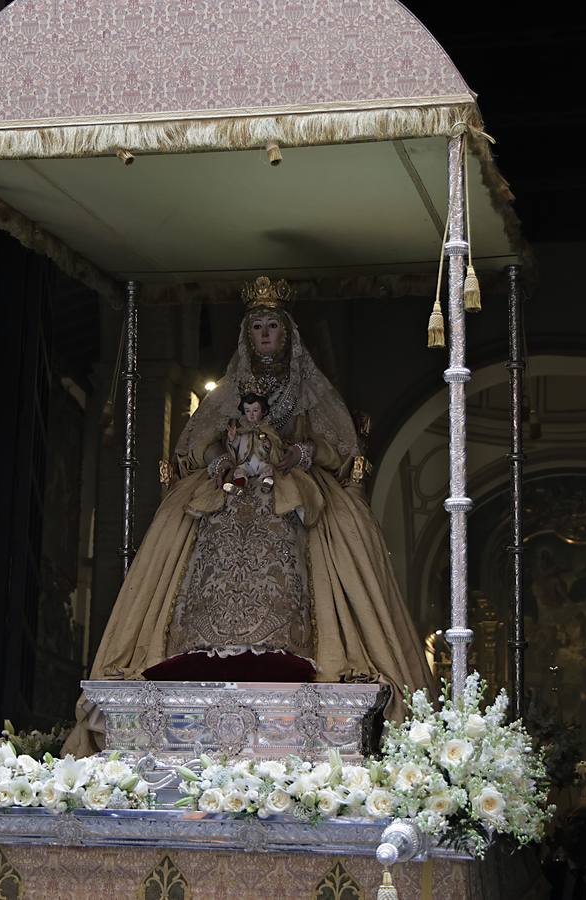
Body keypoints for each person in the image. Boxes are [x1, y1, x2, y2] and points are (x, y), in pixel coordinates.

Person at [63, 275, 432, 755]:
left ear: (287, 335)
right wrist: (220, 457)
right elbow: (198, 441)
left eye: (271, 328)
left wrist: (302, 452)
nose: (264, 336)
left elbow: (339, 447)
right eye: (256, 327)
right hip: (231, 486)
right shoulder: (229, 392)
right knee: (188, 520)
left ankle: (297, 646)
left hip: (291, 485)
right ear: (246, 336)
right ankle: (197, 644)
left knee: (330, 526)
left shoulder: (308, 391)